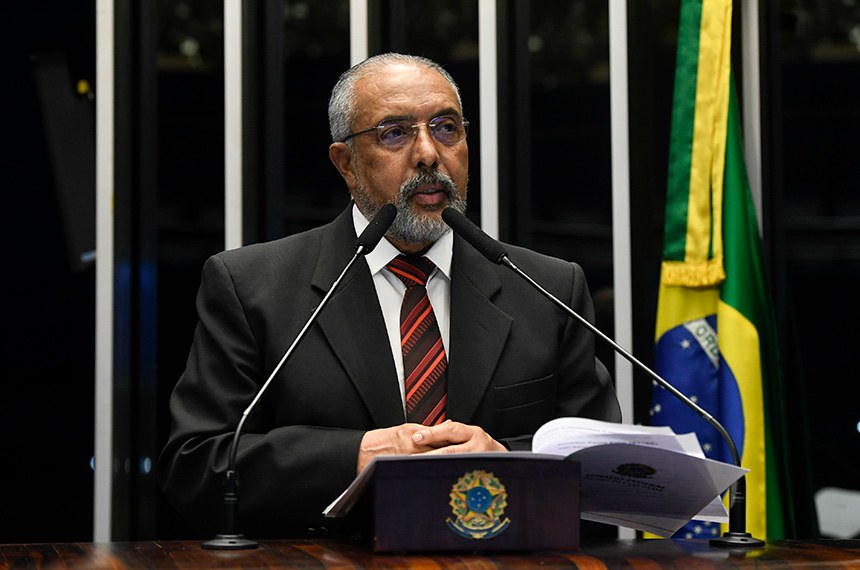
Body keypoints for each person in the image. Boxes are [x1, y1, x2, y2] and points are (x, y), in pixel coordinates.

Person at [158, 53, 621, 538]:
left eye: (445, 128)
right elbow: (197, 468)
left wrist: (510, 463)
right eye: (394, 133)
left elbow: (604, 474)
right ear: (346, 164)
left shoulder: (547, 288)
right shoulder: (253, 286)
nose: (427, 154)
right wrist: (356, 456)